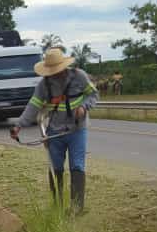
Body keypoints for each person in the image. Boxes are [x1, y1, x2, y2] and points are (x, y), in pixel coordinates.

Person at [10, 47, 98, 212]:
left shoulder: (79, 77)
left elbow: (93, 95)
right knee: (55, 167)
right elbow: (33, 105)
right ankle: (57, 206)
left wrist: (84, 107)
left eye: (56, 70)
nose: (54, 74)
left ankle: (76, 208)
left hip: (77, 129)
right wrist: (18, 125)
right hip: (55, 131)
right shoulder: (44, 85)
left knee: (77, 166)